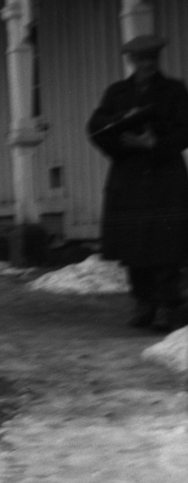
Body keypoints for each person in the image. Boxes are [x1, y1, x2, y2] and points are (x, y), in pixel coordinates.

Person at [88, 33, 188, 332]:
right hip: (129, 179)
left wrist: (153, 144)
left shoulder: (174, 91)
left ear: (157, 60)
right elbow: (95, 129)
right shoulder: (116, 93)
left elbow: (186, 131)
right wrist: (123, 128)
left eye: (151, 59)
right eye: (140, 59)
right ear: (131, 61)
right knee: (134, 246)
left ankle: (169, 306)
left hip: (164, 179)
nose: (146, 64)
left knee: (166, 245)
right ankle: (143, 303)